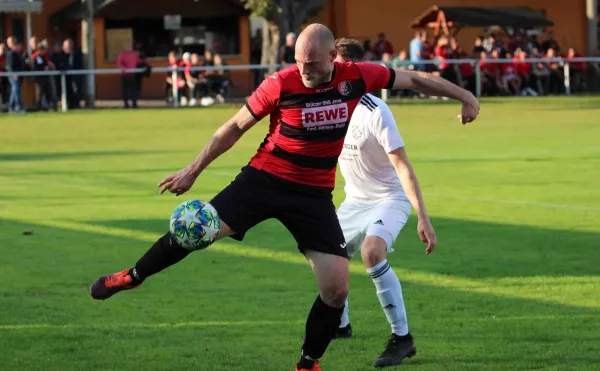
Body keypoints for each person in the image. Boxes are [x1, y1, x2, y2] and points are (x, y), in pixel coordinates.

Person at [89, 23, 479, 371]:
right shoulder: (280, 83)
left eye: (311, 63)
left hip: (312, 196)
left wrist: (465, 96)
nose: (303, 70)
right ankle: (133, 275)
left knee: (337, 288)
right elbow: (233, 128)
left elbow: (413, 78)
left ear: (332, 57)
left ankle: (308, 363)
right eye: (298, 62)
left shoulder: (357, 77)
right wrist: (193, 170)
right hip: (264, 180)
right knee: (196, 230)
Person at [331, 38, 435, 368]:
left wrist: (423, 217)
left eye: (340, 67)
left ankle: (402, 338)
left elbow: (402, 165)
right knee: (326, 254)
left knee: (371, 253)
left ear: (357, 70)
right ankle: (340, 325)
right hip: (353, 201)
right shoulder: (330, 106)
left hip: (388, 199)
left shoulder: (376, 111)